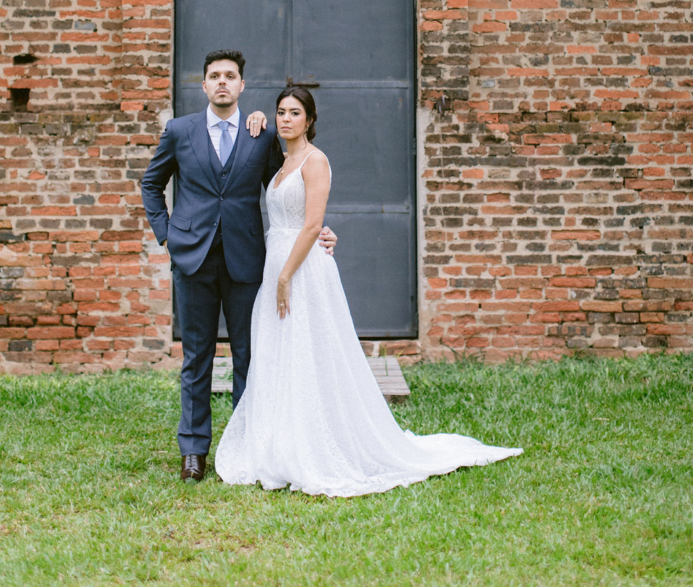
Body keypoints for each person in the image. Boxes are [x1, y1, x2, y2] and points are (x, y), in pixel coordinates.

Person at [215, 85, 523, 498]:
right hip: (277, 261)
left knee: (309, 350)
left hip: (301, 269)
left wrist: (287, 275)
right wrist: (256, 116)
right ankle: (277, 442)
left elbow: (311, 224)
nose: (286, 119)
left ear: (309, 119)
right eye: (281, 112)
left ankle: (316, 445)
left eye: (295, 113)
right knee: (278, 350)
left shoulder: (315, 160)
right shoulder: (283, 161)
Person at [140, 50, 337, 483]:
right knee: (197, 358)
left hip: (248, 263)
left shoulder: (261, 136)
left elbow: (289, 190)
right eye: (215, 76)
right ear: (204, 85)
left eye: (231, 76)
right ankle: (193, 451)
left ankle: (248, 445)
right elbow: (151, 184)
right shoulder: (179, 131)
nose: (223, 82)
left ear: (242, 86)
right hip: (193, 259)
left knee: (252, 355)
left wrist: (321, 229)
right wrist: (167, 234)